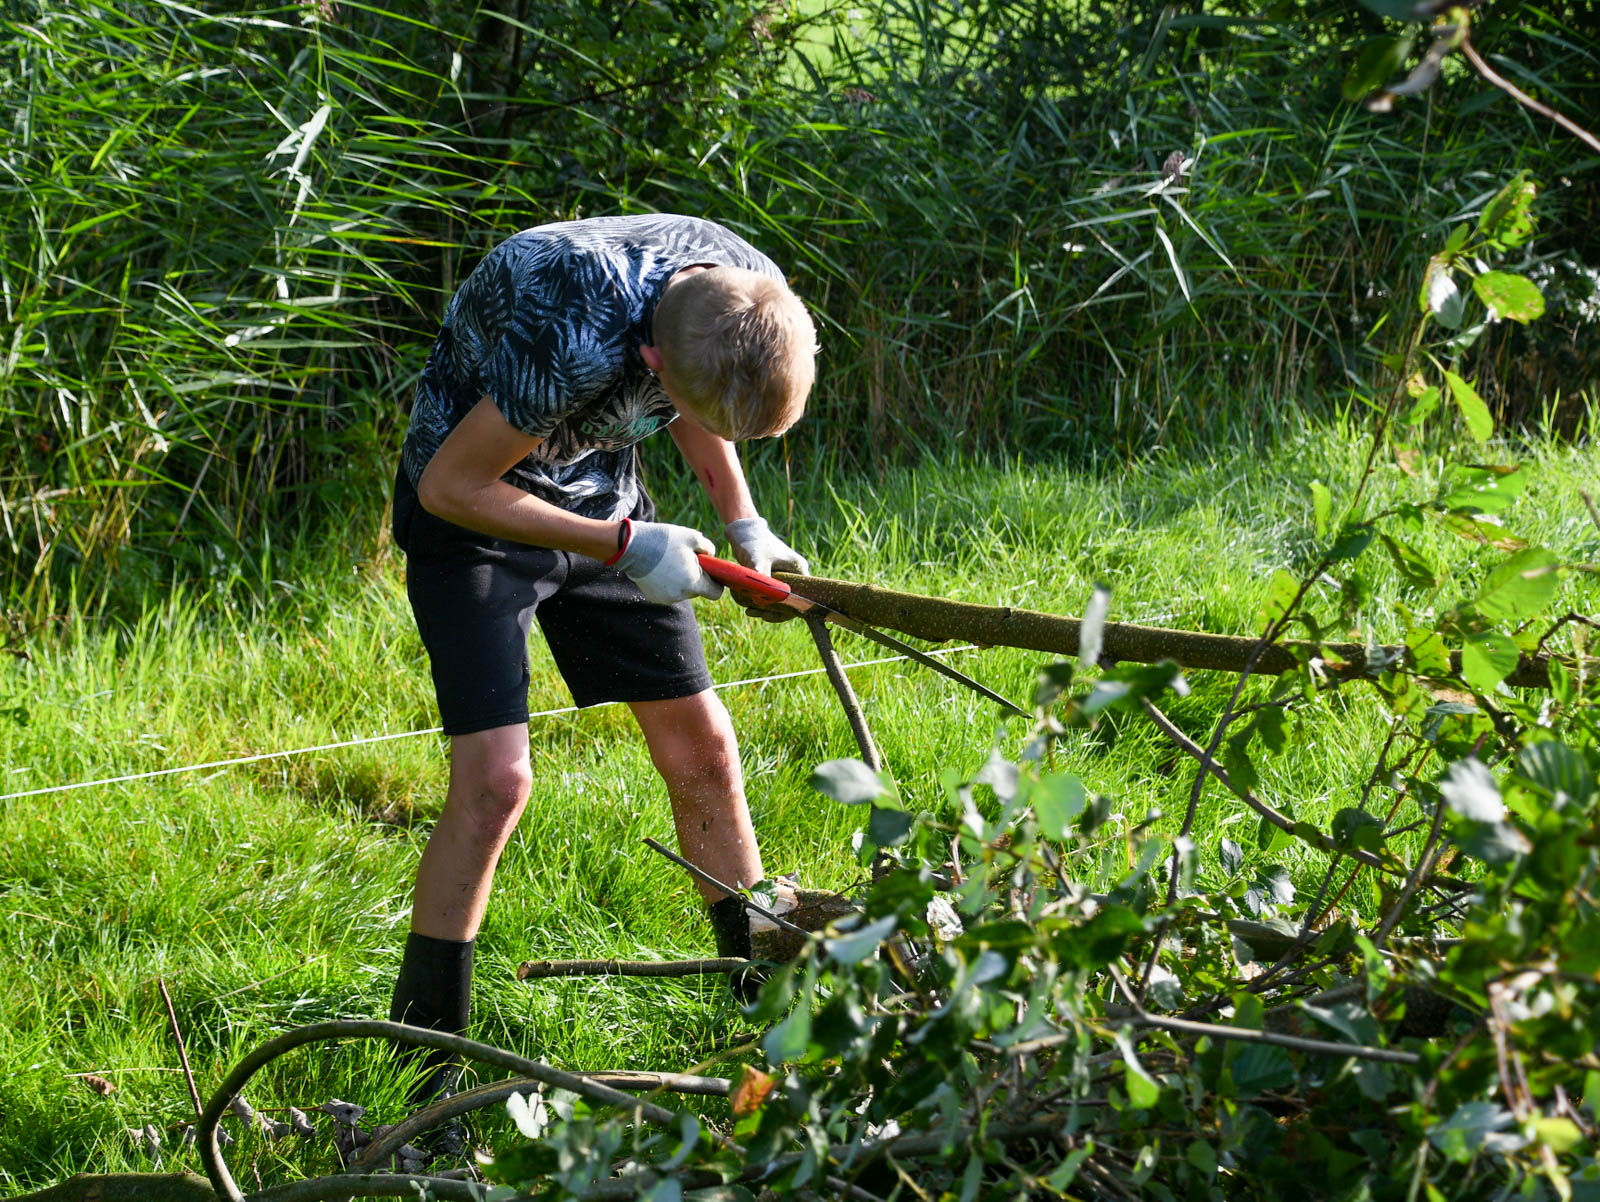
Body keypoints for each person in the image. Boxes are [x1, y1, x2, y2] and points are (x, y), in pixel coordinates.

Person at [387, 213, 817, 1101]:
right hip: (476, 516)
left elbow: (704, 395)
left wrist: (742, 521)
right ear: (649, 361)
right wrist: (624, 546)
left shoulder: (746, 293)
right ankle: (425, 1070)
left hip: (608, 507)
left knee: (705, 749)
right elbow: (449, 486)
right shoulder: (573, 327)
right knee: (497, 783)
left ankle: (763, 1021)